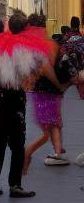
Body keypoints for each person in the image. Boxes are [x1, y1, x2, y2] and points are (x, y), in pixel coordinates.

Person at [0, 13, 51, 198]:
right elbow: (31, 72)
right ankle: (14, 185)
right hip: (15, 99)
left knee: (0, 144)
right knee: (17, 144)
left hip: (2, 99)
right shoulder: (20, 48)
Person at [24, 14, 69, 171]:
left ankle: (28, 152)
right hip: (51, 89)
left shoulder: (35, 46)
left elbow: (44, 68)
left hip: (42, 89)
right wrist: (59, 85)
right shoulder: (53, 44)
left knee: (46, 127)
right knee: (53, 121)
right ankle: (58, 151)